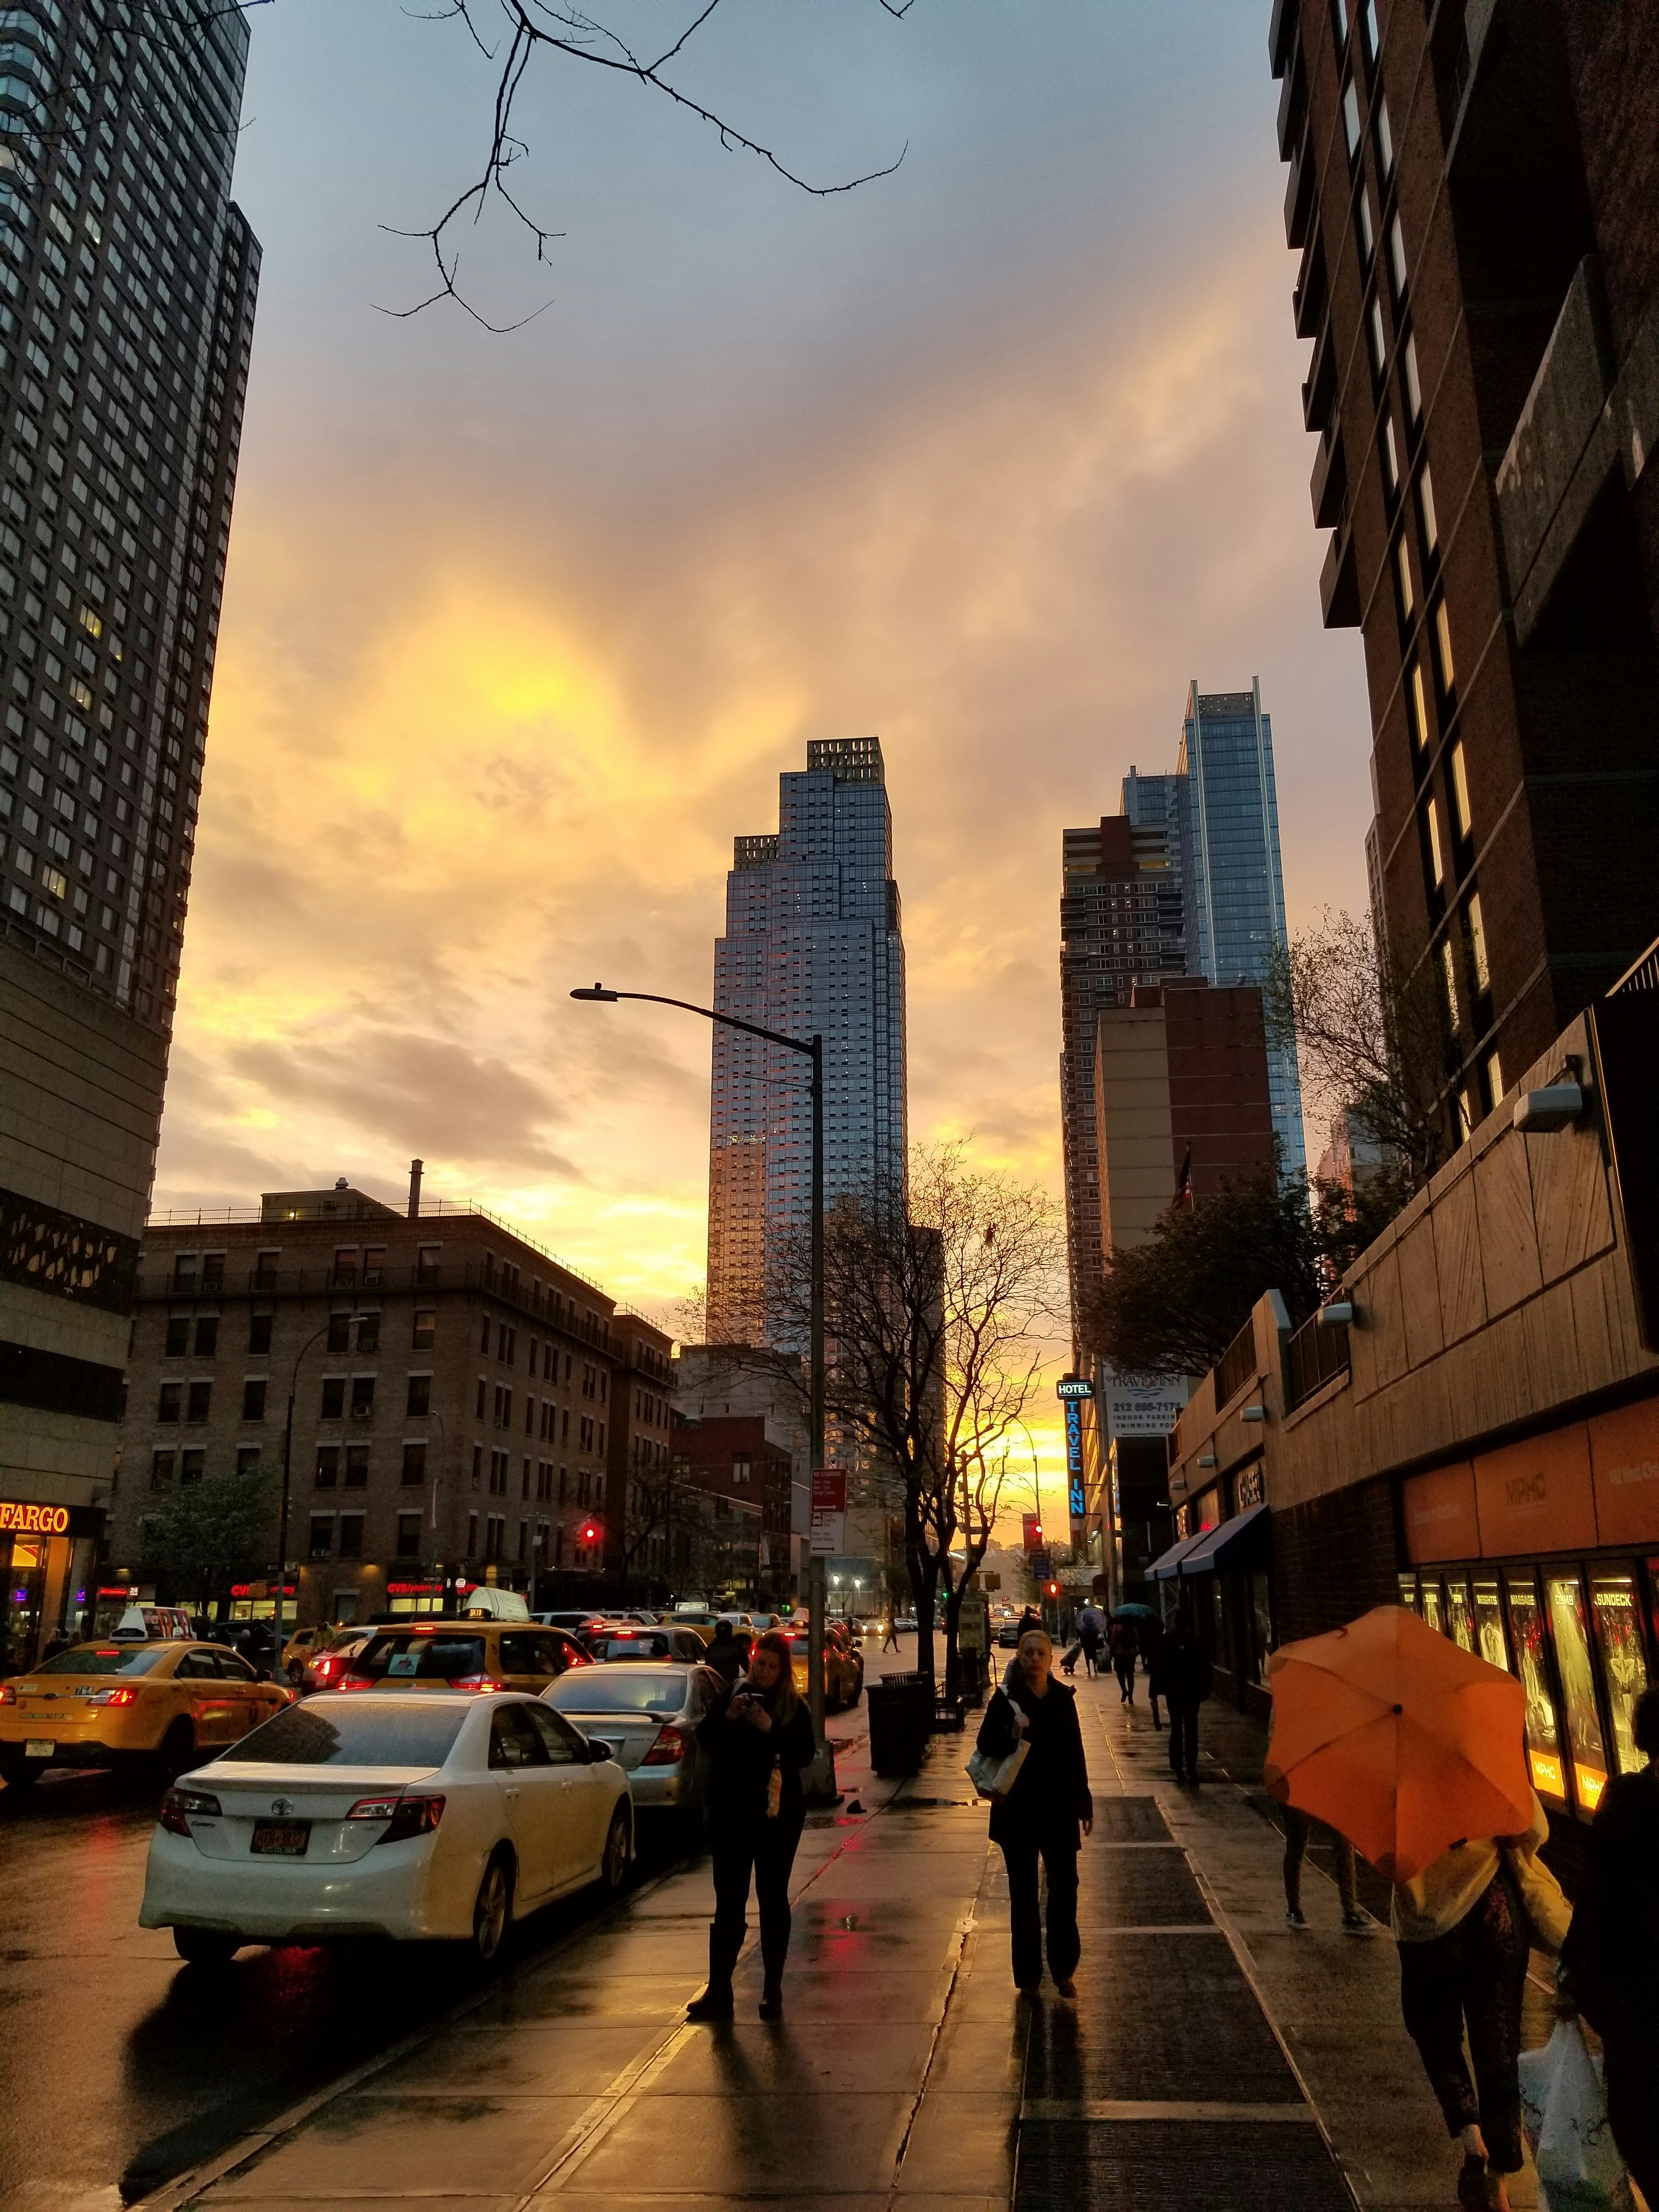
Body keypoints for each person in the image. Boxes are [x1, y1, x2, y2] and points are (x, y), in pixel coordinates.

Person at [1393, 1788, 1565, 2212]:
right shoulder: (1479, 1749)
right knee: (1499, 2041)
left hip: (1429, 1920)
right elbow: (1535, 1826)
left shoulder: (1393, 1766)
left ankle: (1472, 2137)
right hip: (1494, 1906)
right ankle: (1500, 2181)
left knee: (1432, 2028)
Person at [1561, 1684, 1659, 2210]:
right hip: (1636, 2000)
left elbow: (1596, 1898)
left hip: (1636, 2003)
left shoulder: (1625, 1802)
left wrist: (1574, 1977)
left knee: (1638, 2123)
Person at [688, 1628, 817, 2024]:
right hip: (732, 1816)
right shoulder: (734, 1694)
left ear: (783, 1673)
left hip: (776, 1818)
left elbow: (803, 1754)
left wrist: (769, 1730)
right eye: (760, 1663)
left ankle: (771, 1990)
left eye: (772, 1668)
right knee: (728, 1902)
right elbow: (707, 1738)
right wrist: (728, 1717)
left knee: (772, 1897)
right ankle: (719, 1990)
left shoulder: (794, 1708)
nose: (762, 1673)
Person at [974, 1625, 1094, 1998]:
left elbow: (1075, 1753)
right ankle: (1028, 1977)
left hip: (1057, 1809)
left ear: (1051, 1658)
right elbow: (985, 1744)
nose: (1035, 1660)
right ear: (1019, 1658)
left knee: (1064, 1889)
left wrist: (1083, 1802)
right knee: (1023, 1894)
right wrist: (1011, 1731)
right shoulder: (1006, 1699)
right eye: (1028, 1654)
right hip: (1019, 1811)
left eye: (1041, 1653)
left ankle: (1063, 1970)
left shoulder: (1062, 1699)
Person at [1283, 1804, 1366, 1929]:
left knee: (1344, 1844)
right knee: (1297, 1843)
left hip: (1325, 1792)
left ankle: (1350, 1911)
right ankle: (1294, 1909)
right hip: (1303, 1791)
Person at [1159, 1610, 1211, 1783]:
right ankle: (1191, 1766)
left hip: (1174, 1692)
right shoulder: (1195, 1643)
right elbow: (1205, 1668)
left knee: (1176, 1728)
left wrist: (1158, 1690)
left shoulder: (1167, 1642)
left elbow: (1161, 1667)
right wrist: (1204, 1690)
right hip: (1191, 1693)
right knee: (1191, 1729)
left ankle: (1177, 1764)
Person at [1107, 1615, 1137, 1703]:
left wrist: (1112, 1651)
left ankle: (1124, 1691)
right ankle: (1131, 1696)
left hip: (1119, 1654)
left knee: (1120, 1674)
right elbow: (1137, 1639)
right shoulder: (1132, 1628)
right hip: (1131, 1654)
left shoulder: (1116, 1627)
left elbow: (1113, 1641)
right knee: (1130, 1675)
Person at [705, 1618, 743, 1686]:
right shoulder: (737, 1647)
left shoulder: (711, 1647)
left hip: (715, 1684)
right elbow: (746, 1666)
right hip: (727, 1684)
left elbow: (706, 1665)